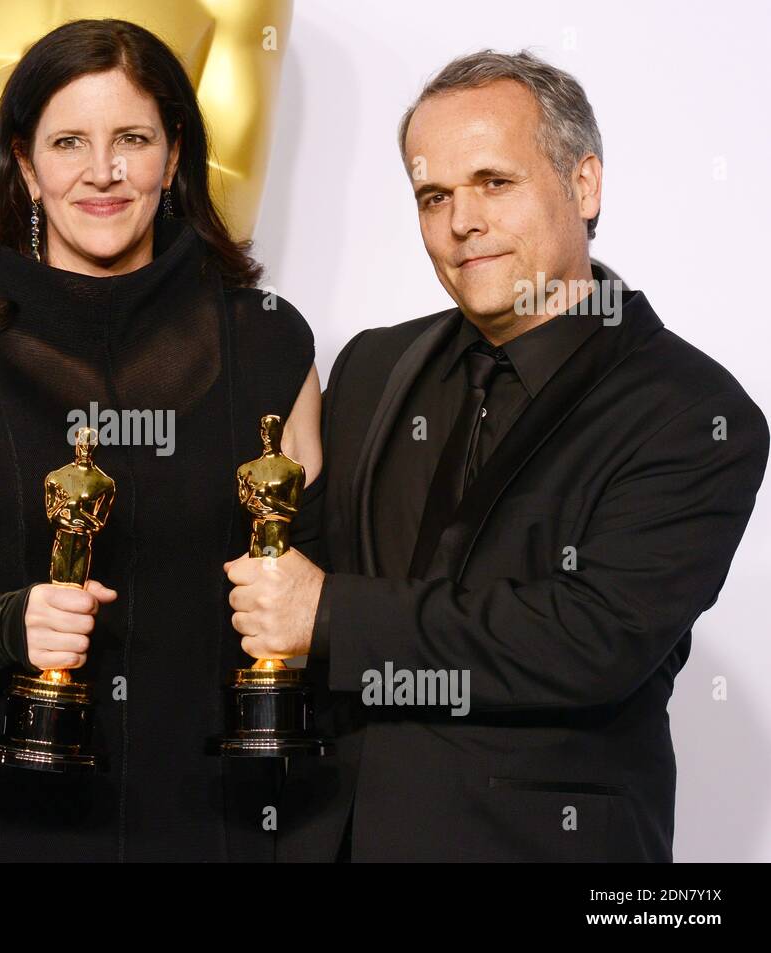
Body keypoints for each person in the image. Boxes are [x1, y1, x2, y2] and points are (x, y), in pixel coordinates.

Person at [225, 50, 769, 861]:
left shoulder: (695, 413)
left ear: (584, 186)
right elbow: (293, 573)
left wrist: (330, 613)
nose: (461, 221)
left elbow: (592, 639)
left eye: (494, 182)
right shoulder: (372, 364)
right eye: (433, 195)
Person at [0, 18, 322, 862]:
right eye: (69, 141)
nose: (103, 171)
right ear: (24, 164)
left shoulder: (269, 346)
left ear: (174, 153)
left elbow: (316, 587)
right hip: (3, 821)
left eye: (132, 139)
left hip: (220, 824)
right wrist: (9, 627)